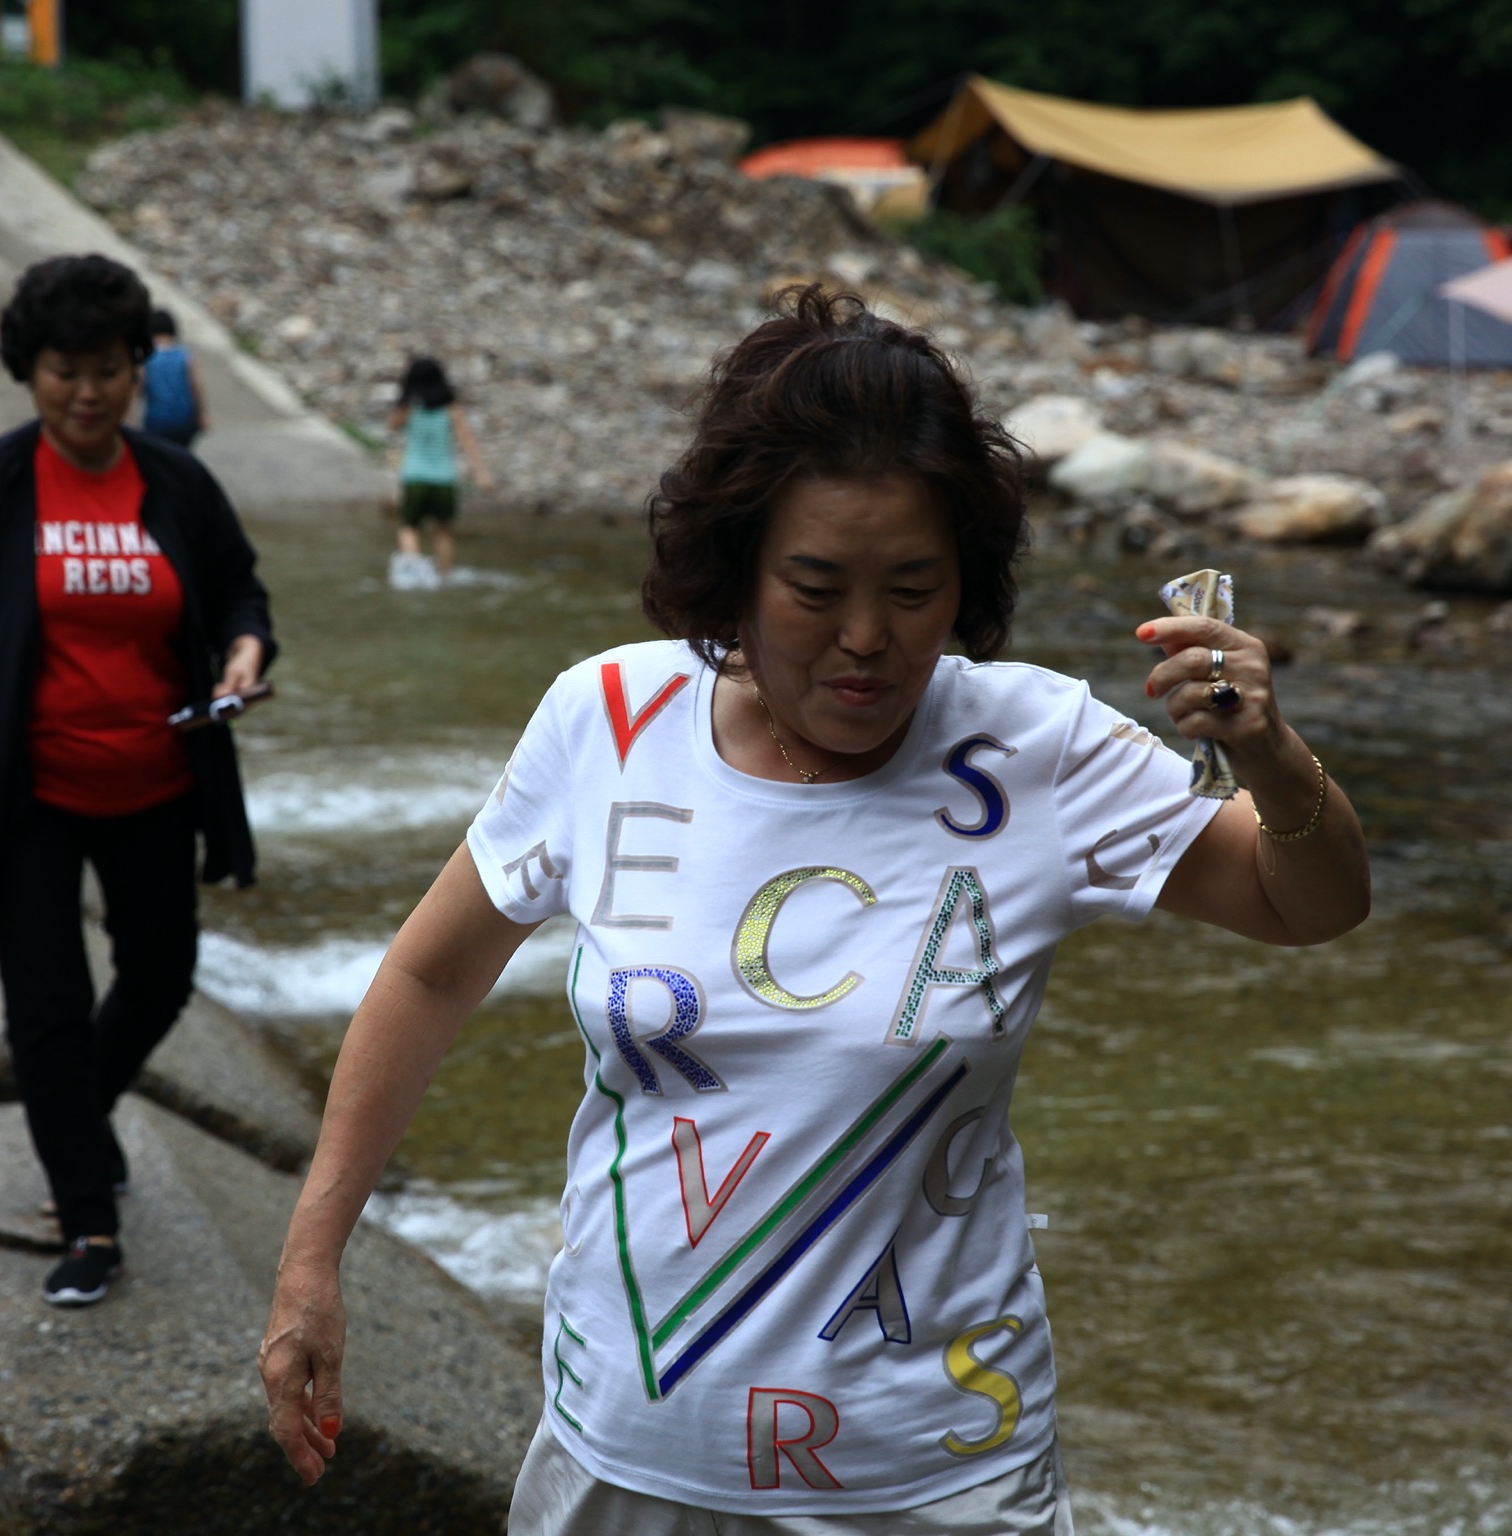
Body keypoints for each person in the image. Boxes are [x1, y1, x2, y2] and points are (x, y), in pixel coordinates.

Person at [257, 288, 1368, 1530]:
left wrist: (1273, 759)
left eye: (913, 587)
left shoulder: (1034, 747)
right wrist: (311, 1259)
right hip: (626, 1456)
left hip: (936, 1477)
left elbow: (1307, 902)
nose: (866, 638)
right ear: (734, 567)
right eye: (816, 585)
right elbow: (428, 977)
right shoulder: (607, 721)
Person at [0, 254, 275, 1309]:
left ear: (136, 369)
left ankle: (76, 1117)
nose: (87, 392)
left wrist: (246, 650)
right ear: (28, 371)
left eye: (109, 370)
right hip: (26, 794)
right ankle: (87, 1221)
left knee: (161, 976)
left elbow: (238, 587)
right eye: (65, 371)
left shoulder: (175, 481)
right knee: (47, 1008)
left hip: (157, 782)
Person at [386, 355, 494, 581]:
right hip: (444, 478)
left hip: (415, 476)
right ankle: (443, 579)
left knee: (409, 527)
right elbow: (467, 440)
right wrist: (481, 473)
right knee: (443, 532)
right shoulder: (451, 409)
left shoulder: (409, 408)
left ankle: (414, 572)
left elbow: (392, 426)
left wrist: (404, 402)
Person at [140, 309, 206, 448]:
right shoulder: (184, 354)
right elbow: (196, 386)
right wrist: (202, 415)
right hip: (184, 421)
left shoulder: (147, 357)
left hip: (156, 422)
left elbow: (139, 386)